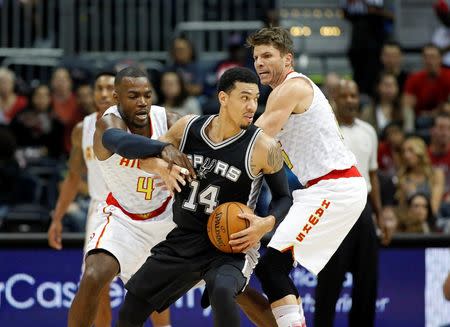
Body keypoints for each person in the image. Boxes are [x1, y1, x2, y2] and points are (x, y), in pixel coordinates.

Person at [116, 67, 292, 327]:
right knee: (131, 306)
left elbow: (284, 197)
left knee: (223, 292)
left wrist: (267, 224)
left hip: (230, 246)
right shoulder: (187, 127)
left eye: (256, 98)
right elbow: (146, 158)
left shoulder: (264, 146)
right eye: (244, 98)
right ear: (223, 98)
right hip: (184, 238)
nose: (252, 106)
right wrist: (162, 168)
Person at [245, 26, 368, 327]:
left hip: (335, 187)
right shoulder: (279, 93)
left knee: (273, 267)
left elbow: (255, 140)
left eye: (267, 55)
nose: (259, 62)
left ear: (287, 59)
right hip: (319, 189)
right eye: (256, 57)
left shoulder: (292, 87)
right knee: (272, 267)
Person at [67, 67, 183, 327]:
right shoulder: (106, 124)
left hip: (168, 219)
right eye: (133, 96)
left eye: (147, 95)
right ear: (117, 98)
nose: (142, 102)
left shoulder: (170, 120)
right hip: (124, 218)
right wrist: (162, 150)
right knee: (94, 275)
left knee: (226, 280)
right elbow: (121, 143)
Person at [314, 79, 395, 327]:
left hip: (364, 211)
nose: (351, 100)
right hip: (334, 210)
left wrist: (380, 215)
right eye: (345, 96)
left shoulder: (368, 131)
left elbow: (373, 176)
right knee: (330, 283)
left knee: (366, 282)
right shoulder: (323, 131)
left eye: (354, 95)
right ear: (334, 99)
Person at [47, 72, 115, 327]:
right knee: (96, 284)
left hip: (135, 208)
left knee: (148, 283)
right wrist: (57, 218)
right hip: (100, 211)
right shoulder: (82, 129)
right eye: (99, 88)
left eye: (110, 88)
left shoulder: (136, 124)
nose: (105, 93)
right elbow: (73, 178)